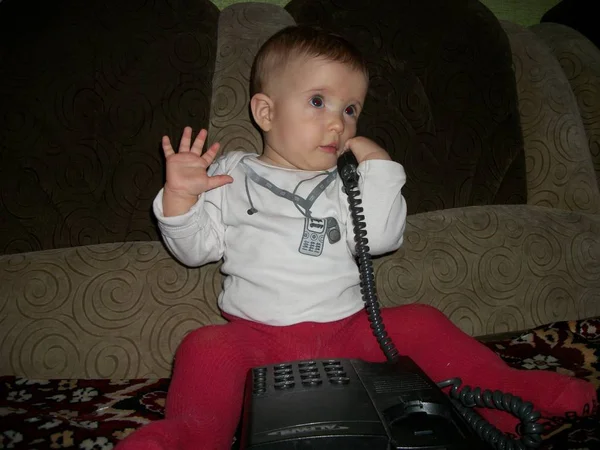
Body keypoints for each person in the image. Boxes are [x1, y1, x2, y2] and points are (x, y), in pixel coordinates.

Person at [117, 26, 596, 450]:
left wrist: (380, 169)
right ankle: (190, 433)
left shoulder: (348, 181)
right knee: (204, 347)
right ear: (265, 111)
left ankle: (507, 392)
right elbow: (195, 249)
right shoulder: (229, 173)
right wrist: (180, 197)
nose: (337, 123)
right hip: (255, 337)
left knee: (423, 322)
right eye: (318, 102)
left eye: (351, 109)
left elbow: (382, 239)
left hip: (352, 329)